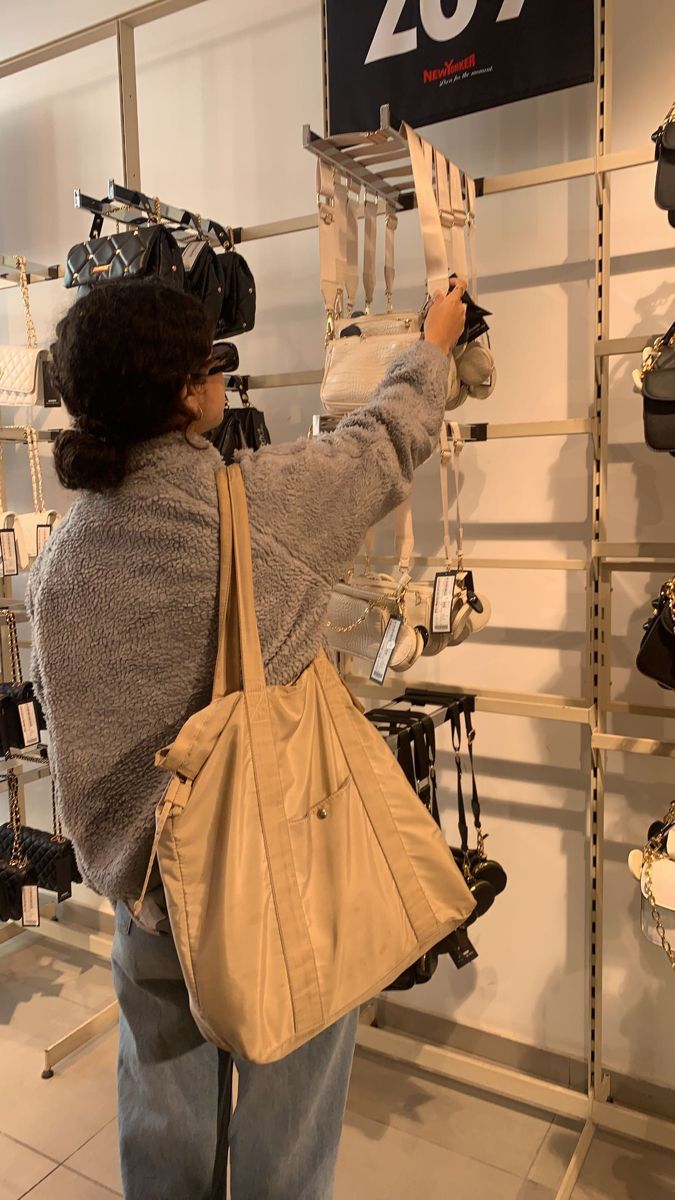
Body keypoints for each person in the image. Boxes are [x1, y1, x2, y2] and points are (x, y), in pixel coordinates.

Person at [26, 276, 467, 1200]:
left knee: (163, 1125)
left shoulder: (62, 560)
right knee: (287, 1133)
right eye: (211, 365)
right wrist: (430, 345)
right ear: (188, 392)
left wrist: (129, 872)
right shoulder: (257, 508)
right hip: (276, 875)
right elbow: (385, 444)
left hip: (147, 899)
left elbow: (76, 754)